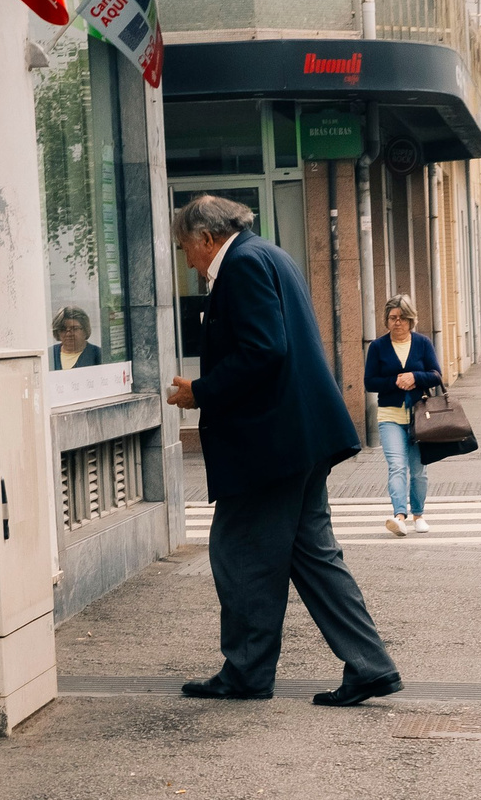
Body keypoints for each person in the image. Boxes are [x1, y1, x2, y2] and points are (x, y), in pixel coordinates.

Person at [164, 194, 402, 706]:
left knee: (238, 552)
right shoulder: (270, 254)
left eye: (185, 248)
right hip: (299, 438)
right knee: (314, 557)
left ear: (206, 238)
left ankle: (247, 673)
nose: (186, 261)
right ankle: (371, 666)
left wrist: (200, 391)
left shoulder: (242, 265)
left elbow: (263, 350)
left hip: (271, 445)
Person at [362, 294, 438, 537]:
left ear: (411, 320)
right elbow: (370, 382)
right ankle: (399, 516)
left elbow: (436, 375)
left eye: (403, 318)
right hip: (390, 417)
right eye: (393, 317)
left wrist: (415, 377)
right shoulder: (378, 347)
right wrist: (396, 381)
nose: (397, 322)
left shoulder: (423, 343)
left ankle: (419, 515)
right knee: (396, 466)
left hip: (419, 418)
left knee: (418, 470)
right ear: (386, 320)